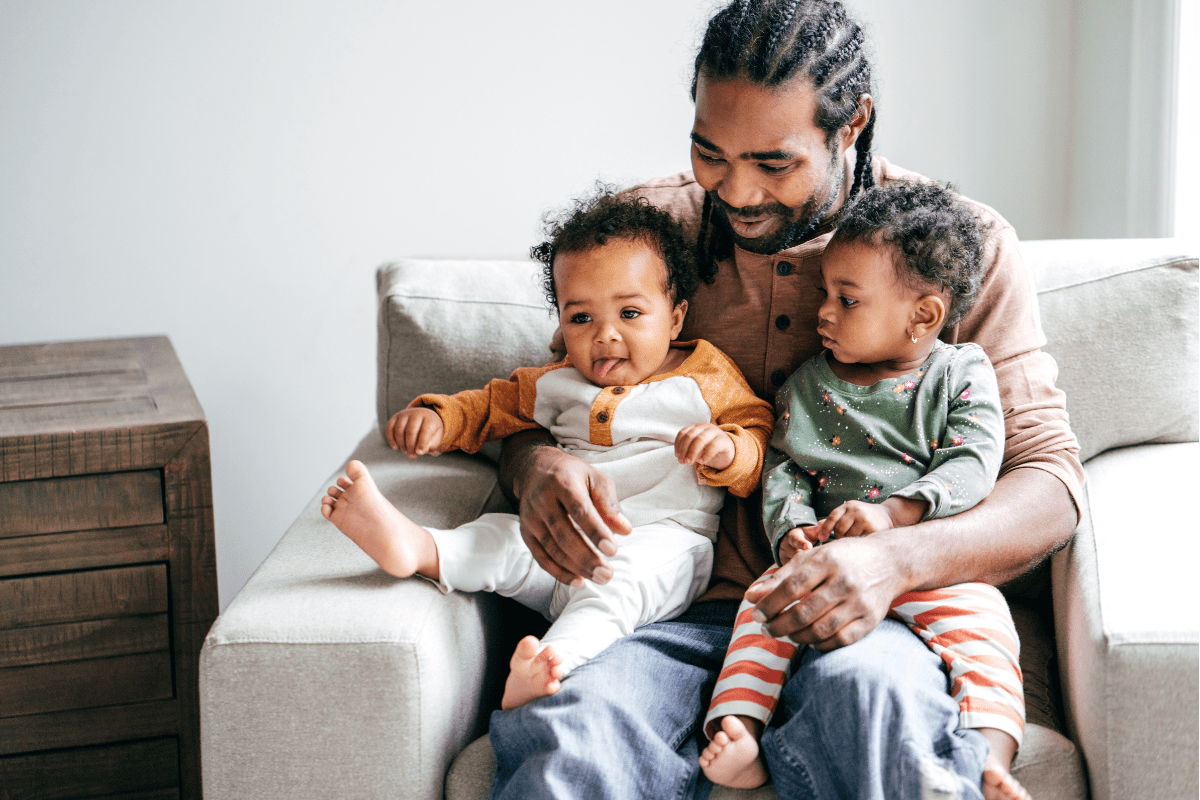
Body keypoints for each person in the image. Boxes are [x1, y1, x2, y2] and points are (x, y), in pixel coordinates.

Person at [490, 1, 1083, 799]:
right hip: (660, 605)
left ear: (852, 126)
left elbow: (1050, 484)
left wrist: (892, 559)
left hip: (874, 609)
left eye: (773, 164)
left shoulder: (951, 250)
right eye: (710, 152)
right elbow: (539, 409)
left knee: (878, 712)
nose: (736, 193)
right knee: (571, 741)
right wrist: (537, 467)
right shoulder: (646, 234)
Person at [321, 189, 774, 711]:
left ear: (674, 318)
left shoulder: (705, 375)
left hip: (665, 545)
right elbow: (487, 407)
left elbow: (756, 429)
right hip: (558, 546)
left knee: (618, 588)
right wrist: (436, 417)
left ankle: (553, 660)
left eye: (630, 313)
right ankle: (420, 549)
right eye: (581, 318)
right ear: (560, 322)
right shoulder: (553, 382)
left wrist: (726, 449)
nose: (605, 336)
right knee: (500, 537)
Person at [698, 180, 1029, 800]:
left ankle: (986, 759)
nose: (822, 312)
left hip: (935, 567)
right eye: (825, 292)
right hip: (829, 564)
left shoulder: (960, 373)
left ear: (923, 316)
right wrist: (790, 528)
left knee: (985, 636)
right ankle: (740, 729)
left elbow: (974, 460)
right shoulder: (805, 387)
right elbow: (784, 468)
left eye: (846, 301)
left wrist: (900, 514)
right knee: (761, 608)